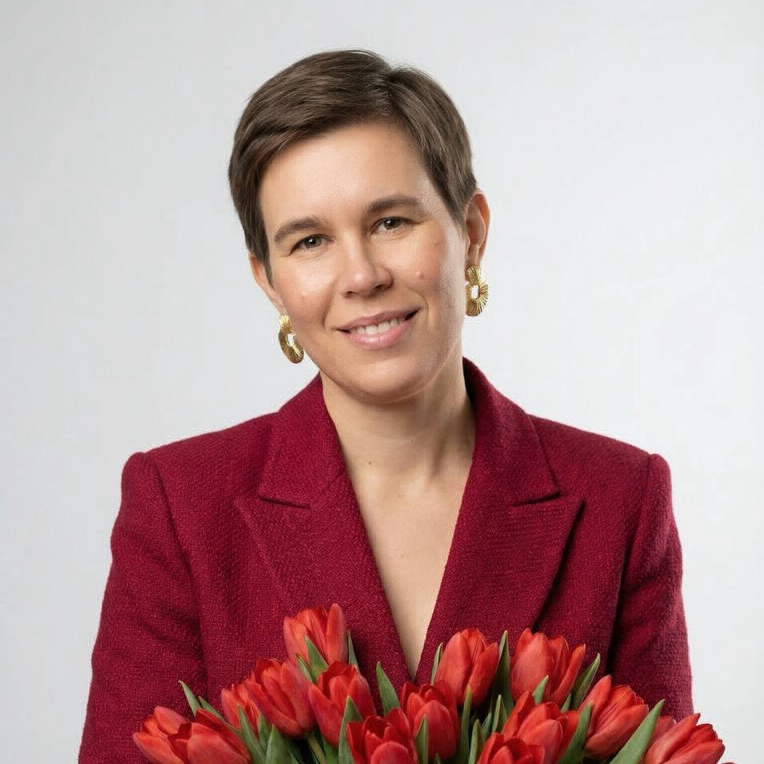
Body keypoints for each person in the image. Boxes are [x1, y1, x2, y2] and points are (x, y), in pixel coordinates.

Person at [78, 48, 693, 763]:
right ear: (269, 280)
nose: (362, 275)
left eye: (391, 222)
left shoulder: (621, 499)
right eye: (310, 241)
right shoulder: (180, 505)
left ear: (472, 232)